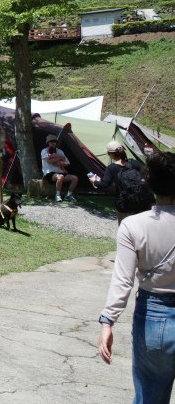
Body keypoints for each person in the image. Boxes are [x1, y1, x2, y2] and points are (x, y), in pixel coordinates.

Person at [98, 151, 175, 403]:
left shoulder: (133, 226)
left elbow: (123, 280)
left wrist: (107, 320)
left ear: (149, 183)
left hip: (154, 319)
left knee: (150, 396)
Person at [90, 140, 151, 223]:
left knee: (122, 224)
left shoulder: (111, 168)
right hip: (141, 198)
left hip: (123, 201)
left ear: (110, 154)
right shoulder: (134, 163)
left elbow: (104, 184)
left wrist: (94, 181)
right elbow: (147, 175)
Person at [41, 134, 78, 202]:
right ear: (48, 142)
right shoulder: (44, 151)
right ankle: (57, 195)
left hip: (60, 172)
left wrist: (61, 162)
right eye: (51, 141)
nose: (53, 143)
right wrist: (60, 158)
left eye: (54, 141)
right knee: (60, 177)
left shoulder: (60, 151)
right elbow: (49, 161)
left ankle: (68, 195)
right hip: (49, 173)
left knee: (75, 178)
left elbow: (67, 162)